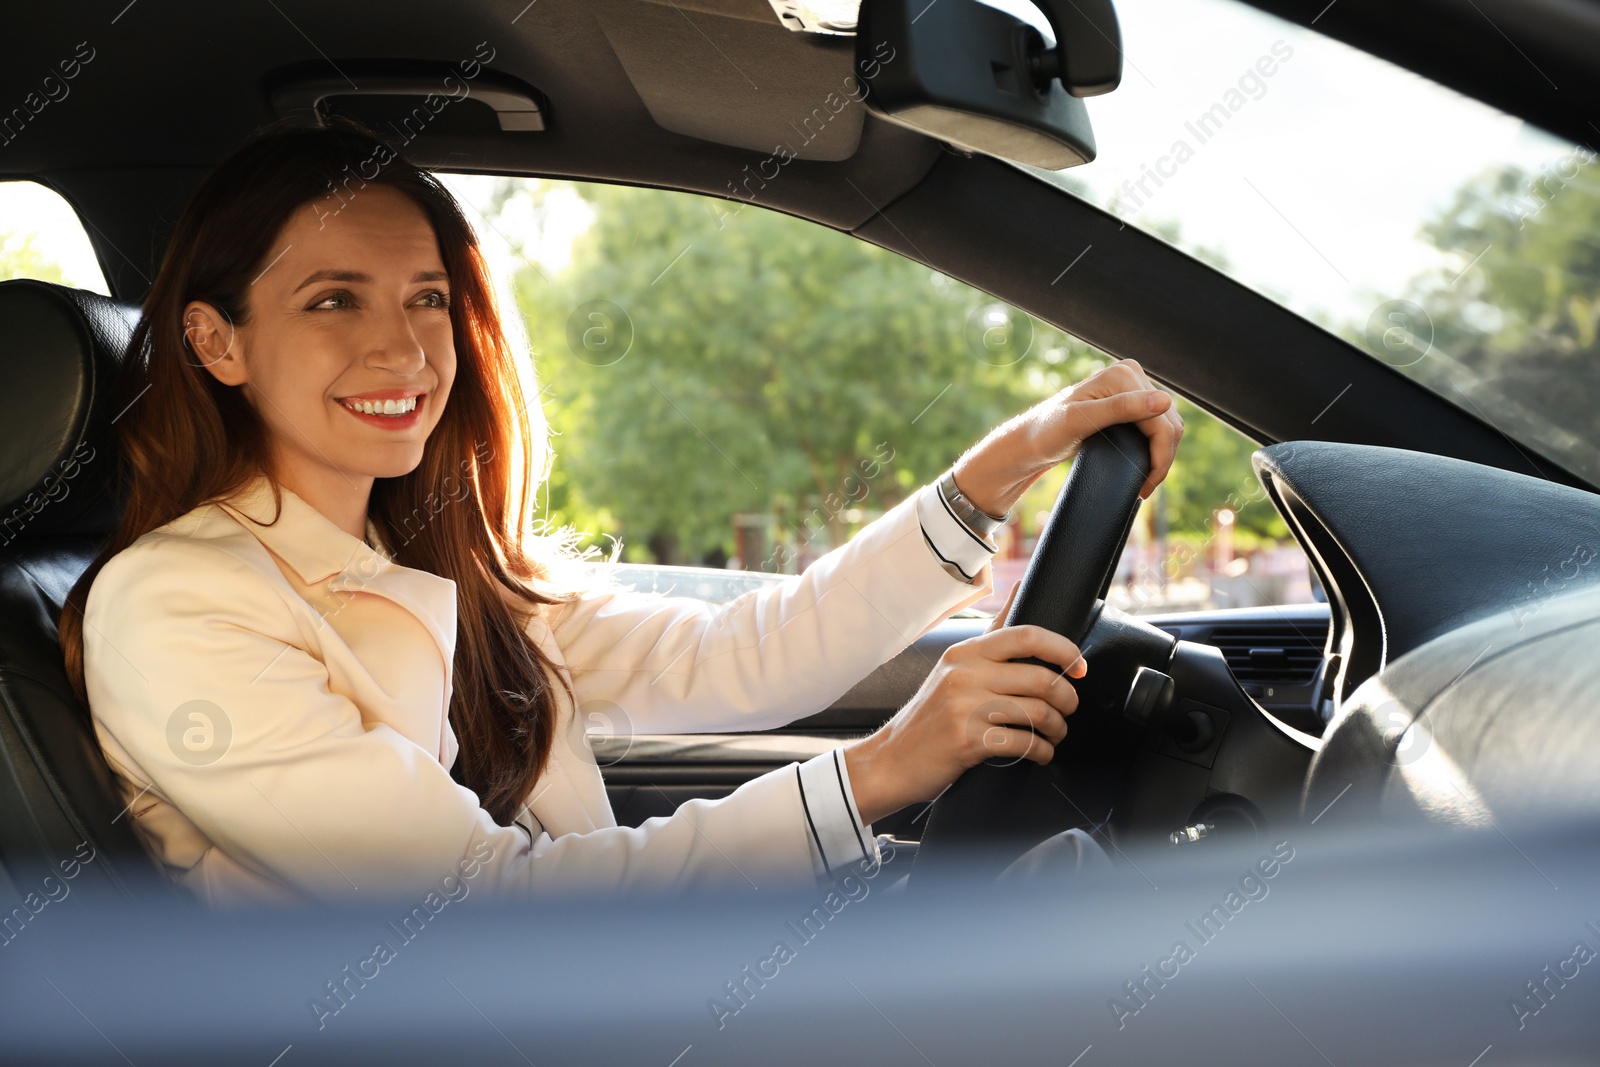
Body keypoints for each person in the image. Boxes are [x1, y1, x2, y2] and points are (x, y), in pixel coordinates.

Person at [62, 121, 1182, 908]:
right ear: (217, 341)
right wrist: (881, 768)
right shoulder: (177, 602)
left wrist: (1000, 466)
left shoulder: (431, 559)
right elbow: (477, 907)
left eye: (426, 300)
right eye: (332, 300)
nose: (401, 349)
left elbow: (743, 655)